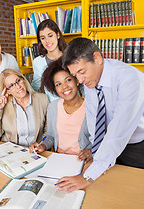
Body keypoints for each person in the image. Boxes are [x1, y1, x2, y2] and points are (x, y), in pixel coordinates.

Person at [58, 37, 144, 193]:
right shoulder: (92, 80)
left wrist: (88, 176)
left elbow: (118, 131)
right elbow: (94, 120)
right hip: (110, 145)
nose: (80, 80)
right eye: (75, 75)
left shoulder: (130, 80)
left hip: (137, 146)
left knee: (133, 193)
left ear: (97, 58)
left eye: (82, 72)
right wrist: (97, 154)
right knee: (109, 191)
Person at [29, 58, 92, 164]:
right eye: (58, 84)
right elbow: (50, 136)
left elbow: (102, 140)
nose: (65, 87)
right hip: (59, 161)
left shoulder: (91, 107)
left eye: (68, 80)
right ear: (55, 89)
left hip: (84, 162)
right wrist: (42, 146)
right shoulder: (53, 107)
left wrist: (91, 151)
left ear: (76, 80)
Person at [0, 69, 49, 146]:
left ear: (23, 80)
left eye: (18, 81)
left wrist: (41, 145)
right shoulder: (4, 105)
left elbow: (48, 131)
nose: (18, 86)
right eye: (11, 85)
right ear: (7, 91)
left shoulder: (43, 100)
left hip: (36, 151)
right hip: (11, 152)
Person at [31, 19, 67, 102]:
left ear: (57, 35)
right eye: (43, 38)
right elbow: (36, 85)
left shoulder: (70, 56)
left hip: (74, 104)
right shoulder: (38, 62)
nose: (47, 41)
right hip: (53, 106)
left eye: (50, 35)